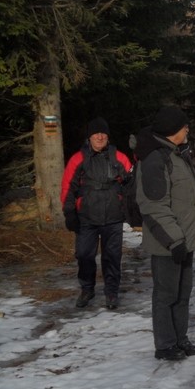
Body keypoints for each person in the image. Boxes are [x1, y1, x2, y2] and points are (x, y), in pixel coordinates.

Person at [135, 106, 195, 361]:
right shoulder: (155, 159)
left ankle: (180, 338)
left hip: (183, 239)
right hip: (167, 242)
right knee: (166, 294)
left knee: (182, 293)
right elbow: (153, 205)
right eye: (184, 126)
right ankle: (165, 345)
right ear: (173, 130)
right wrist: (174, 240)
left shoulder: (176, 154)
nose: (188, 129)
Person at [60, 117, 132, 310]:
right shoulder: (78, 159)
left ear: (108, 136)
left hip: (113, 216)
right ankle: (87, 289)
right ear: (89, 137)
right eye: (96, 134)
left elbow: (131, 185)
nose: (100, 137)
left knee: (112, 256)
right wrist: (69, 213)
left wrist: (129, 210)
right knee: (84, 255)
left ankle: (111, 292)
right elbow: (68, 187)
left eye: (103, 133)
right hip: (86, 217)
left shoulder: (120, 158)